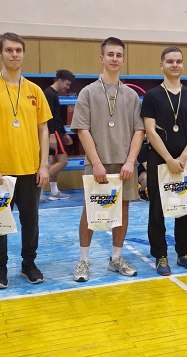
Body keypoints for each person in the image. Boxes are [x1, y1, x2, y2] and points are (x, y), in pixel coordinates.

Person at [0, 32, 51, 289]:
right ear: (0, 53)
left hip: (30, 169)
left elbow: (43, 130)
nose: (14, 54)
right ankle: (0, 267)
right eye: (9, 50)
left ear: (23, 53)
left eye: (18, 50)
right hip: (1, 171)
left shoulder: (35, 91)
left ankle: (29, 263)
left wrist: (43, 165)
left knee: (31, 222)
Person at [71, 37, 144, 282]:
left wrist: (130, 161)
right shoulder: (88, 92)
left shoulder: (131, 95)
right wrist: (96, 163)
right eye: (110, 54)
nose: (114, 59)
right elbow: (82, 130)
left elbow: (139, 131)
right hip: (97, 163)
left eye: (119, 55)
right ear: (102, 58)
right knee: (90, 211)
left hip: (124, 164)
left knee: (123, 210)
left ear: (123, 60)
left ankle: (116, 258)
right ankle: (84, 260)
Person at [141, 47, 187, 275]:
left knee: (184, 208)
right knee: (157, 209)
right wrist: (168, 159)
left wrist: (184, 157)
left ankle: (184, 252)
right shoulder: (152, 95)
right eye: (169, 61)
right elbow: (150, 130)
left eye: (178, 61)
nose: (174, 65)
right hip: (160, 159)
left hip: (186, 160)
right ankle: (160, 255)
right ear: (162, 65)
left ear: (183, 65)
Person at [43, 69, 75, 201]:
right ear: (59, 80)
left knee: (54, 161)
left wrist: (64, 133)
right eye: (67, 84)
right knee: (63, 161)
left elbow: (56, 116)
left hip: (56, 130)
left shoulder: (53, 93)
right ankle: (38, 186)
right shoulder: (49, 93)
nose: (67, 87)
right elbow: (48, 116)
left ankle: (54, 191)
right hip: (53, 131)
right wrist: (52, 135)